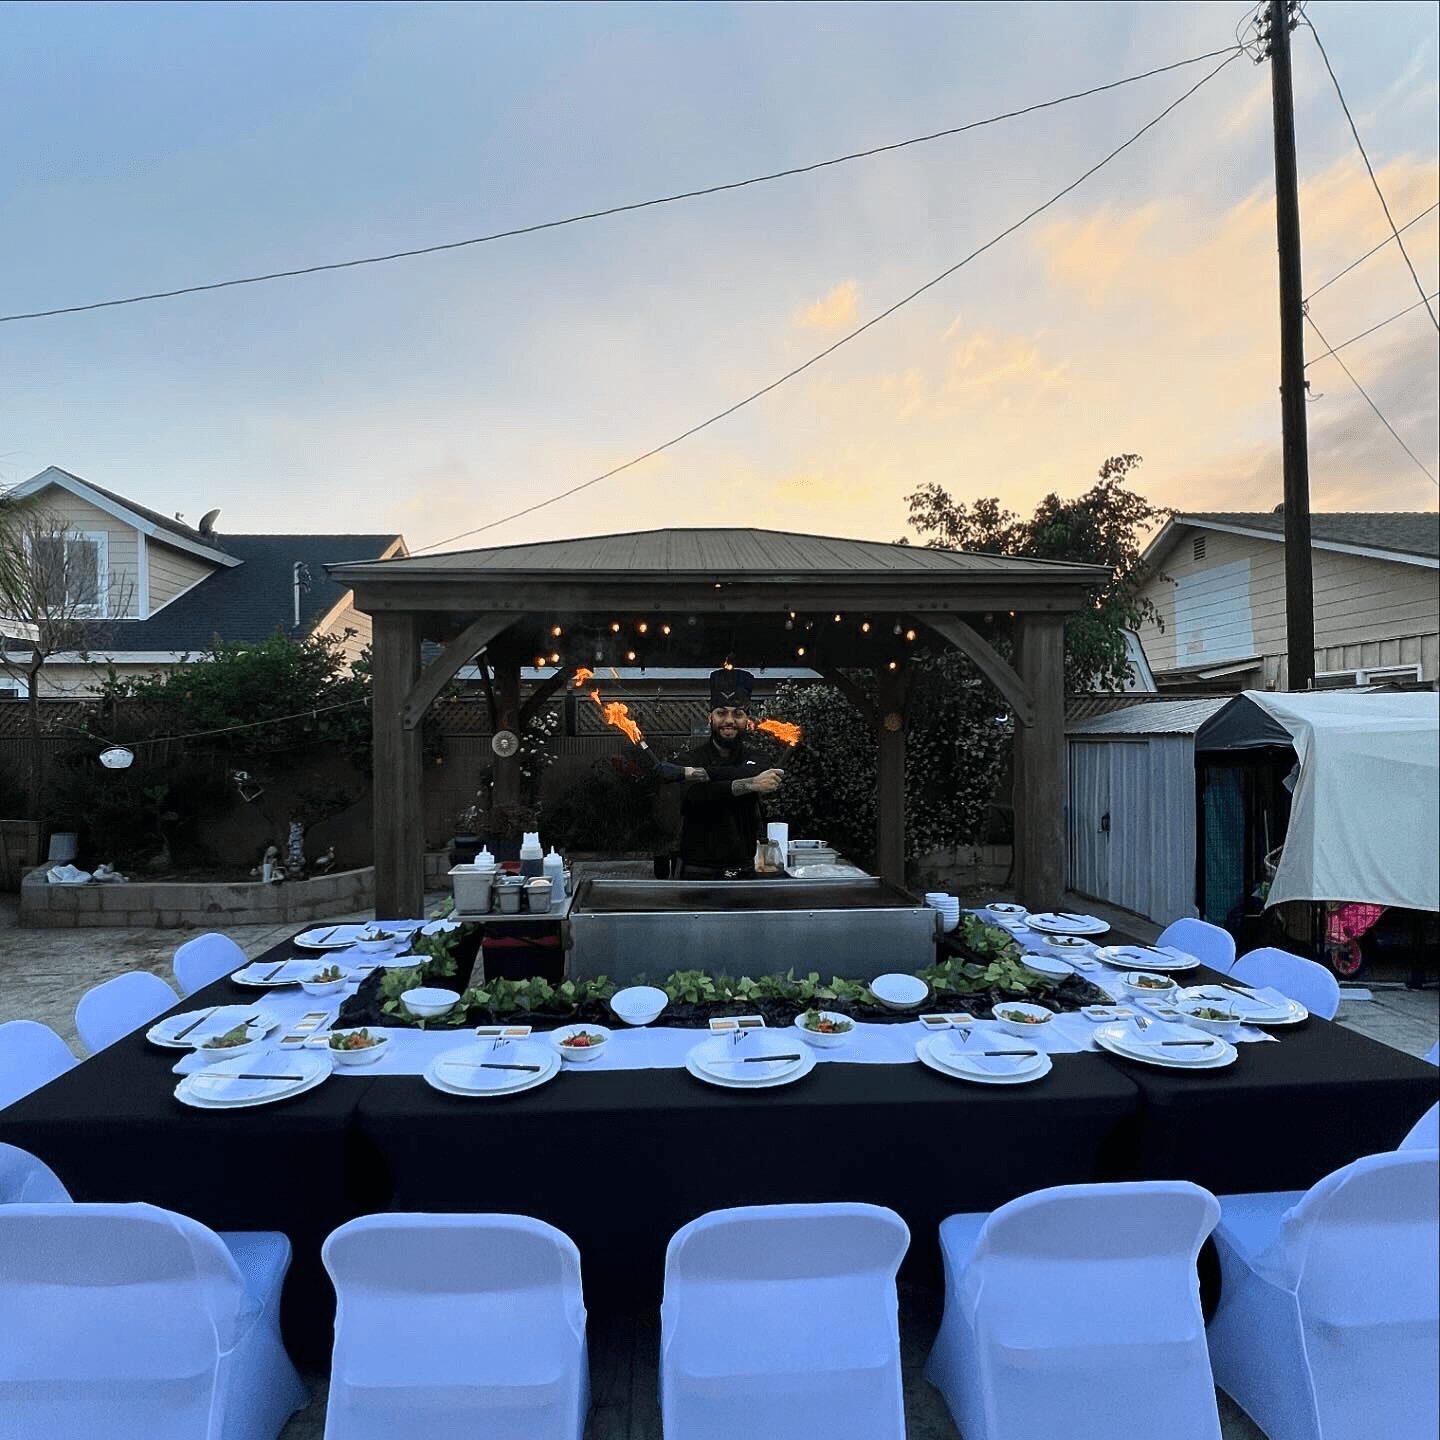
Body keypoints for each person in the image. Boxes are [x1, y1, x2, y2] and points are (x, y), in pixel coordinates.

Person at [664, 667, 784, 878]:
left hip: (744, 871)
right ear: (709, 717)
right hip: (696, 872)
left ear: (747, 720)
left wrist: (699, 774)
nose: (729, 720)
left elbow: (748, 771)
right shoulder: (689, 759)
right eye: (721, 713)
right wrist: (751, 783)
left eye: (737, 714)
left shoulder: (759, 758)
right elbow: (697, 795)